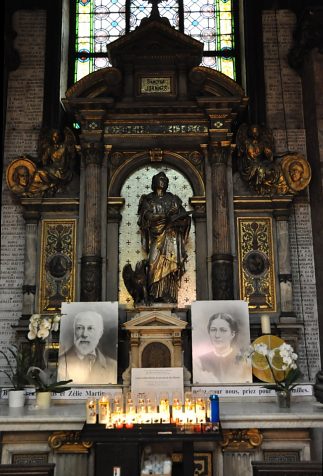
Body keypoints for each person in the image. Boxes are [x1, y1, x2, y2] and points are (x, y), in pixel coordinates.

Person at [137, 171, 191, 303]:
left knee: (170, 264)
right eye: (160, 179)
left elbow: (184, 218)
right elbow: (145, 218)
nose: (163, 181)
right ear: (154, 182)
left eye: (165, 179)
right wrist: (162, 217)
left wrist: (178, 220)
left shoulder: (173, 199)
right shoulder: (148, 199)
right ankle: (153, 294)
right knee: (152, 263)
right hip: (156, 235)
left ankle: (167, 294)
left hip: (171, 236)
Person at [58, 311, 117, 384]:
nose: (84, 334)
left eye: (90, 328)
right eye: (79, 328)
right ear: (74, 331)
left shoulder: (113, 366)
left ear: (100, 333)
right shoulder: (60, 362)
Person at [196, 313, 252, 384]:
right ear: (209, 332)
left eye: (223, 330)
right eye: (213, 330)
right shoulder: (199, 362)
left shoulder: (244, 360)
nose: (217, 335)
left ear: (232, 334)